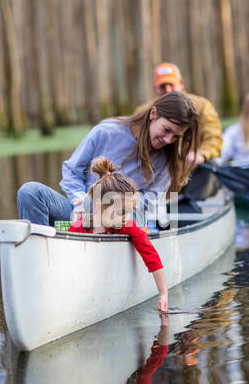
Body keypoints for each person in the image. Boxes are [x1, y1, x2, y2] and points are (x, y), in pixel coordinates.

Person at [17, 91, 199, 228]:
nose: (168, 140)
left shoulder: (168, 159)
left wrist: (113, 206)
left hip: (125, 220)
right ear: (153, 114)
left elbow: (150, 202)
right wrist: (79, 200)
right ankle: (40, 251)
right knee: (30, 192)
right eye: (166, 130)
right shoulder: (106, 131)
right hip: (82, 210)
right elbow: (72, 171)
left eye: (176, 137)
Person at [69, 157, 168, 313]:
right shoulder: (78, 228)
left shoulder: (128, 226)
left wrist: (163, 293)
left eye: (128, 212)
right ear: (99, 206)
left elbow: (152, 257)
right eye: (121, 212)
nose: (126, 217)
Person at [134, 62, 223, 166]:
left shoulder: (202, 106)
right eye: (163, 86)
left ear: (181, 83)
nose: (168, 90)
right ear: (156, 88)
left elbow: (214, 138)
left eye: (171, 85)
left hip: (195, 169)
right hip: (157, 167)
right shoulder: (143, 111)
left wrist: (201, 155)